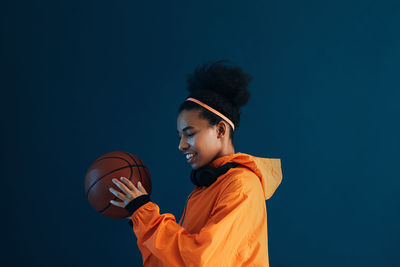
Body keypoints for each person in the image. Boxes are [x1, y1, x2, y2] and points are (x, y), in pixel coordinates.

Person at [109, 60, 283, 266]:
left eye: (189, 134)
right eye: (179, 136)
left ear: (220, 130)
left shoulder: (241, 186)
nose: (181, 146)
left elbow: (201, 260)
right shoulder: (205, 189)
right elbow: (171, 262)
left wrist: (146, 217)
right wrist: (137, 220)